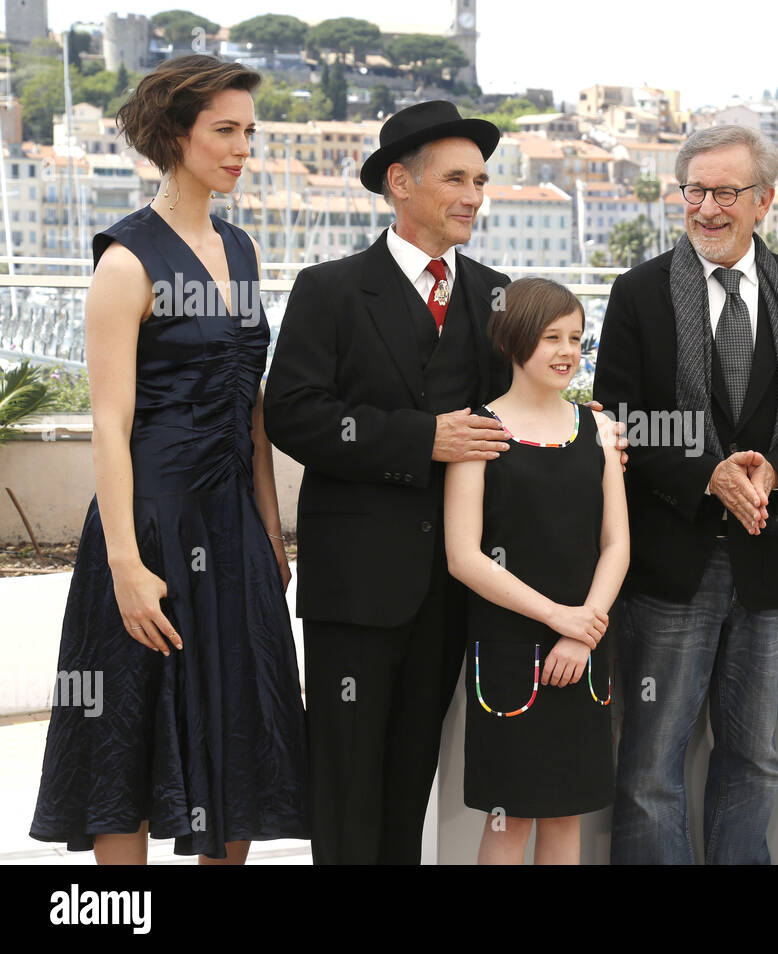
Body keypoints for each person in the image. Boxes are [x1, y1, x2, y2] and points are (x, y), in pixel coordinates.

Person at [29, 54, 309, 864]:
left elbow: (250, 405)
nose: (241, 148)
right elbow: (108, 426)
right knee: (130, 733)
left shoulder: (242, 249)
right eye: (224, 131)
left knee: (240, 734)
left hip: (234, 529)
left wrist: (268, 531)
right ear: (172, 135)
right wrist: (122, 563)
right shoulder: (125, 261)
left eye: (247, 132)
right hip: (147, 524)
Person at [595, 124, 778, 864]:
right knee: (652, 765)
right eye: (695, 191)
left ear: (766, 202)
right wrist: (704, 471)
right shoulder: (639, 293)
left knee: (755, 759)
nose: (707, 208)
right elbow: (615, 417)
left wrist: (773, 471)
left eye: (726, 192)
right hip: (669, 564)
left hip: (770, 560)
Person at [263, 101, 514, 865]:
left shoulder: (498, 294)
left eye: (480, 179)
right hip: (357, 589)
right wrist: (423, 438)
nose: (474, 195)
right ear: (399, 182)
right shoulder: (329, 289)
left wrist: (593, 443)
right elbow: (294, 416)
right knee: (344, 784)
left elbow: (514, 423)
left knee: (412, 782)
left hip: (453, 585)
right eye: (456, 178)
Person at [444, 278, 629, 865]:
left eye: (575, 337)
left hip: (586, 649)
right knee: (510, 816)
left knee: (566, 812)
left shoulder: (597, 430)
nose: (567, 351)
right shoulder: (479, 431)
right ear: (515, 340)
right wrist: (560, 620)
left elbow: (617, 543)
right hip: (510, 651)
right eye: (552, 336)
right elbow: (464, 556)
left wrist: (582, 629)